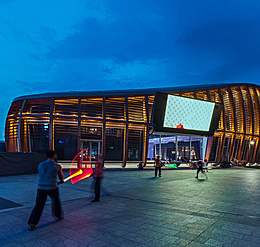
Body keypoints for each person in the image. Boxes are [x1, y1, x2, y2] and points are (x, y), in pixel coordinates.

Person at [27, 150, 64, 231]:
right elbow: (61, 176)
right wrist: (61, 180)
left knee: (38, 205)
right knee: (56, 201)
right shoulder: (57, 165)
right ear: (54, 156)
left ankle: (32, 223)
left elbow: (43, 174)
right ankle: (58, 215)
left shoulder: (40, 165)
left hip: (41, 187)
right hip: (52, 187)